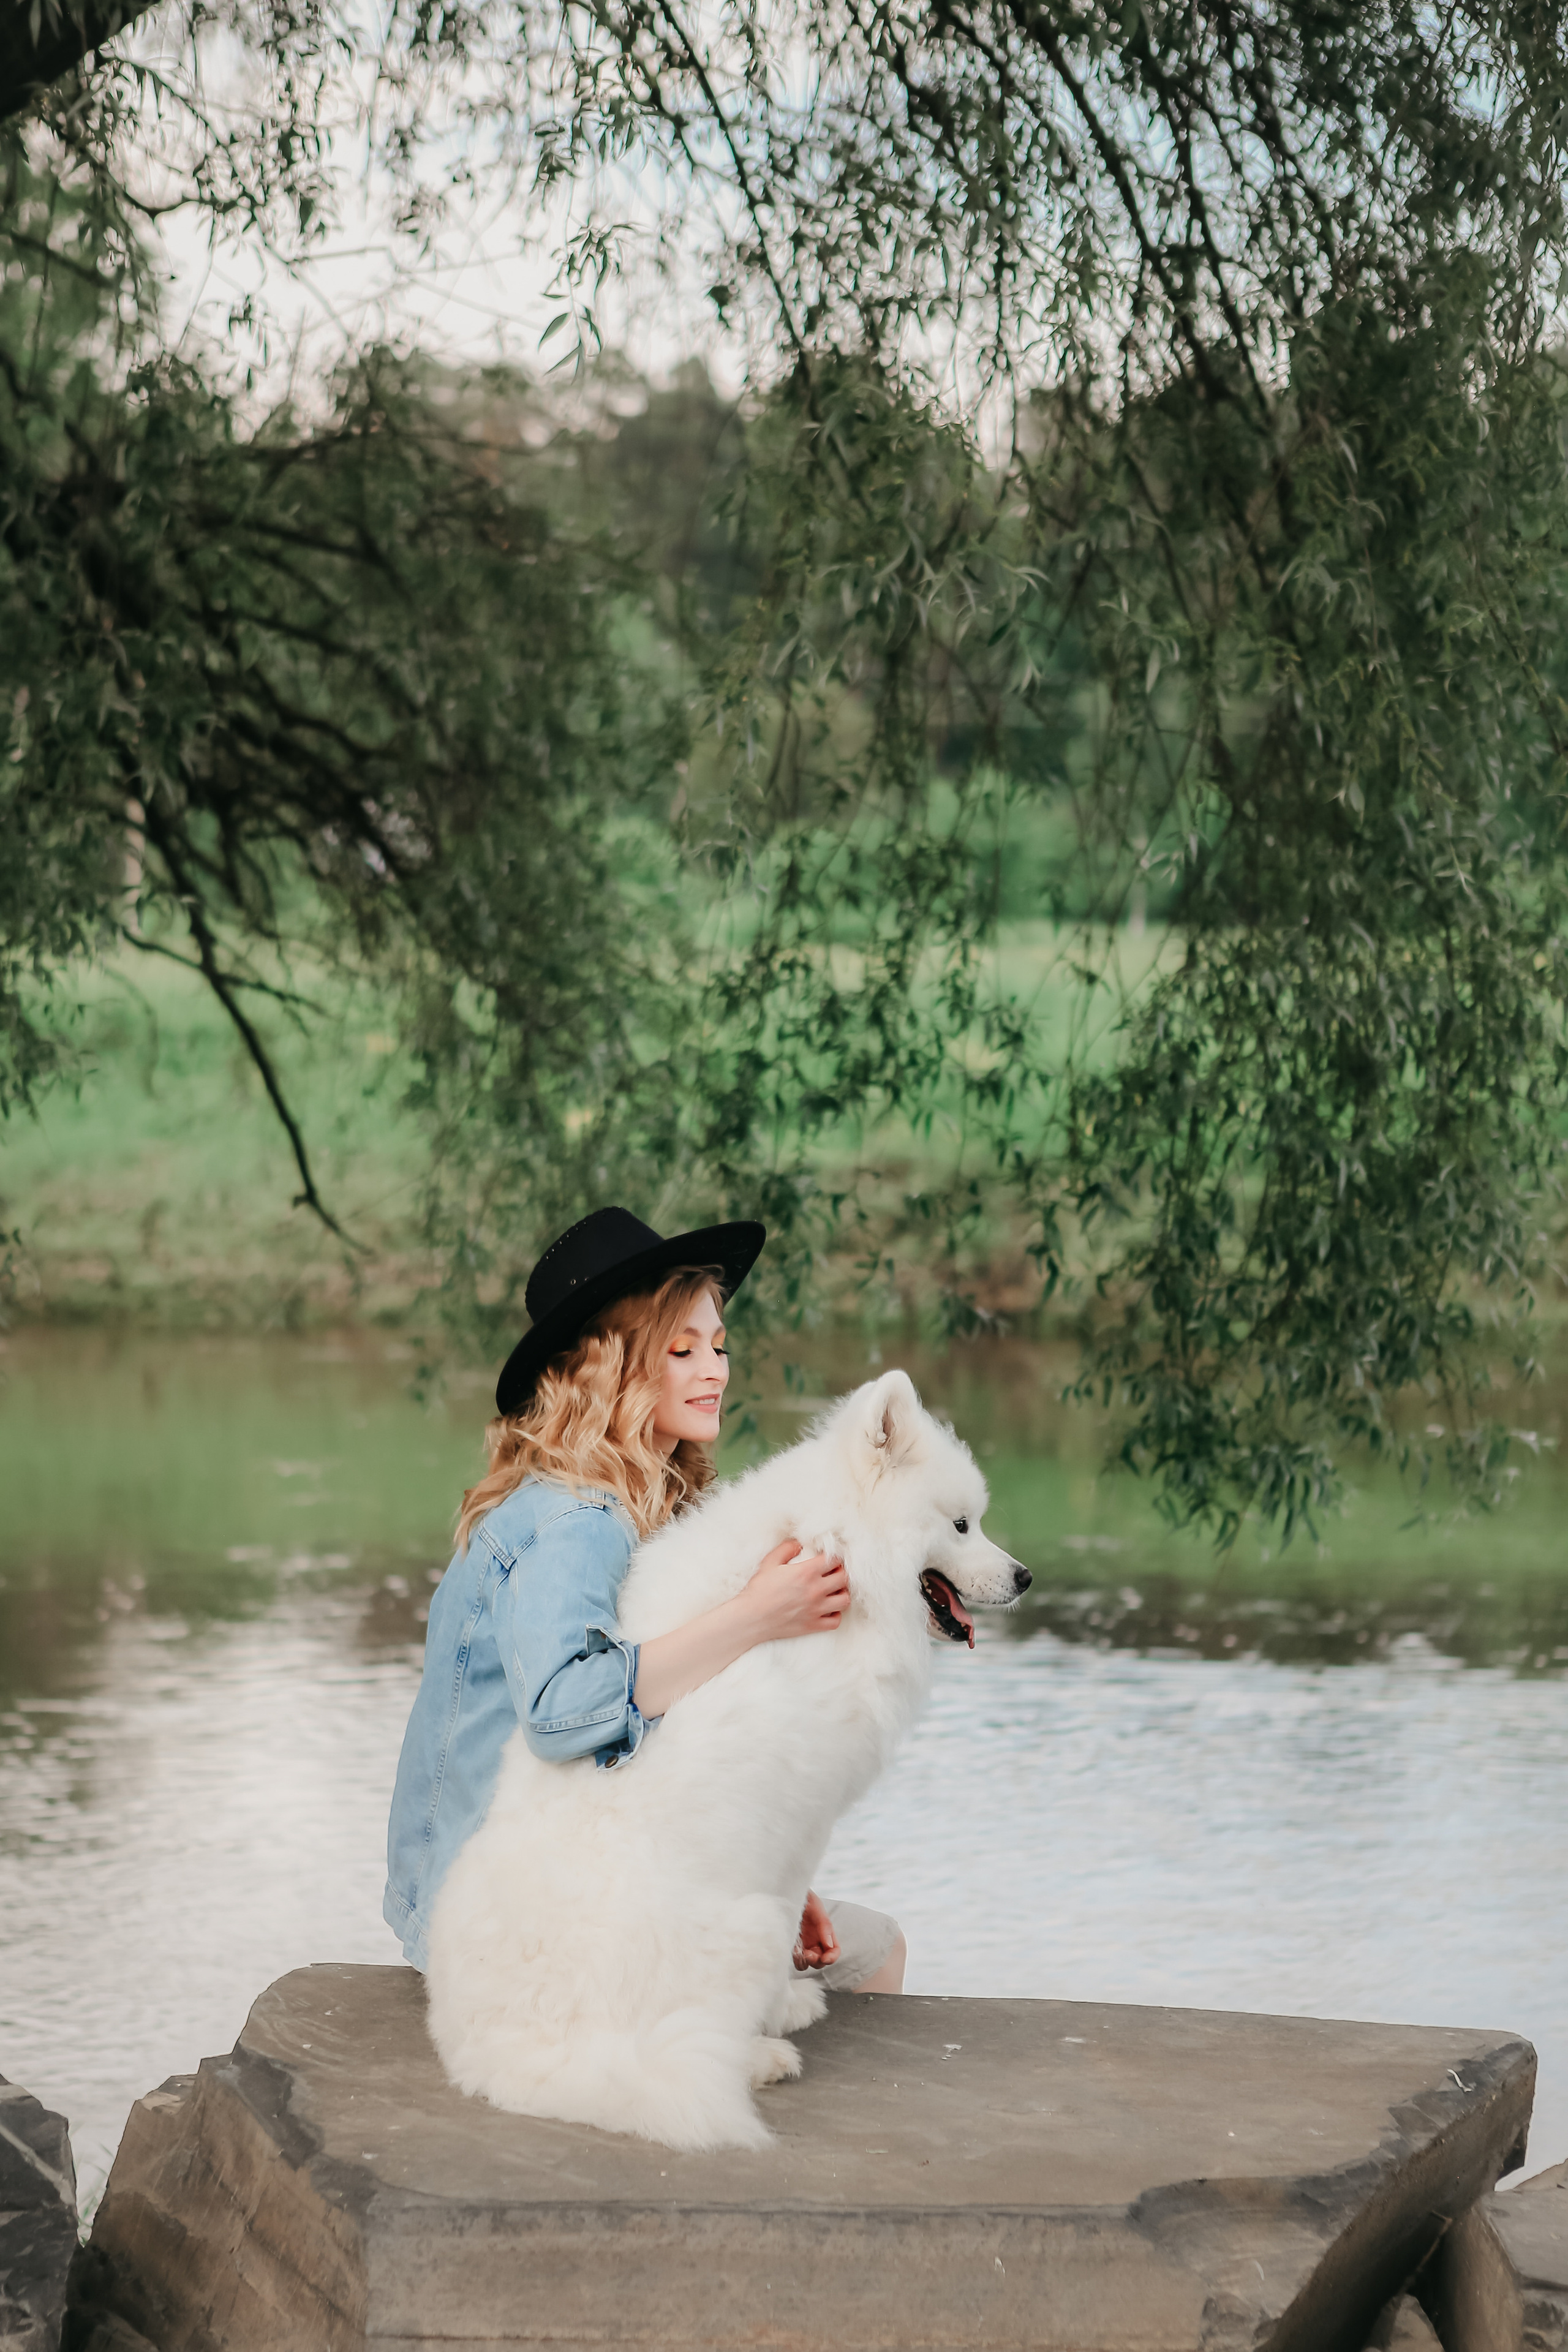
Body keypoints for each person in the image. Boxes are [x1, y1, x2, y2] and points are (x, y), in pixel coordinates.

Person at [383, 1205, 907, 1997]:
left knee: (826, 1944)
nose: (716, 1371)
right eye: (683, 1350)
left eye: (720, 1347)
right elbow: (565, 1714)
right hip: (501, 1917)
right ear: (610, 1366)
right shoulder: (575, 1520)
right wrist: (759, 1614)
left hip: (550, 1875)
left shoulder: (635, 1504)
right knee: (876, 1955)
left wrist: (775, 1874)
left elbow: (672, 1723)